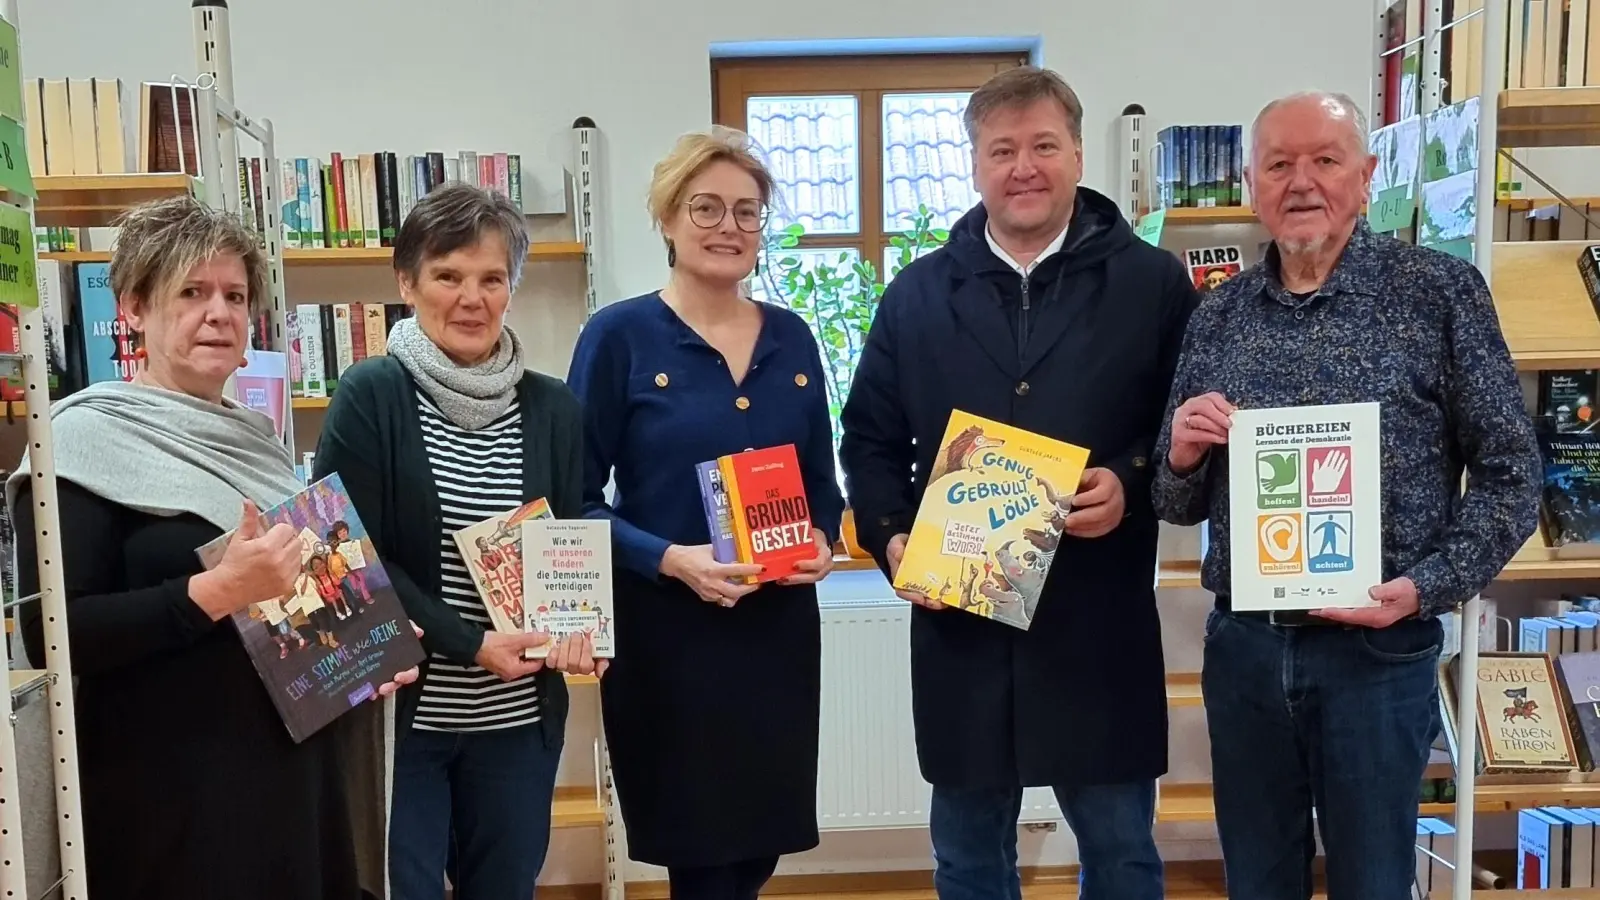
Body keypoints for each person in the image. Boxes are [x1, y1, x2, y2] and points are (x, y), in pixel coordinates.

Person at [1151, 91, 1541, 900]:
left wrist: (1422, 590)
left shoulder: (1439, 294)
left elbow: (1513, 477)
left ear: (1365, 179)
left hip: (1378, 652)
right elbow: (1175, 500)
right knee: (1257, 881)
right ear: (1251, 183)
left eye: (1325, 160)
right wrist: (1183, 451)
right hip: (1247, 653)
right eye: (1279, 164)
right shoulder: (1217, 316)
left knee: (1372, 881)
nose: (1302, 182)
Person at [838, 65, 1196, 900]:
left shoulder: (1152, 286)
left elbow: (1185, 429)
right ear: (974, 165)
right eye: (1002, 150)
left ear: (1076, 152)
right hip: (962, 621)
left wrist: (1130, 479)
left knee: (1119, 848)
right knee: (967, 854)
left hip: (1096, 619)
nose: (1023, 167)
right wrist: (892, 539)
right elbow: (869, 440)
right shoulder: (917, 293)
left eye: (1043, 145)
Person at [3, 195, 419, 900]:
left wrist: (367, 632)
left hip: (295, 780)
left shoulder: (260, 442)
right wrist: (217, 591)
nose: (218, 313)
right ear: (134, 306)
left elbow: (290, 607)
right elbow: (54, 634)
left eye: (233, 295)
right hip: (172, 795)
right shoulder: (80, 441)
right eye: (191, 293)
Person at [565, 127, 845, 900]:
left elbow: (824, 481)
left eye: (748, 212)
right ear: (667, 218)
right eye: (707, 207)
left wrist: (822, 537)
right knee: (703, 862)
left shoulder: (792, 337)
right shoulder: (617, 336)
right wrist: (670, 558)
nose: (729, 227)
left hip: (776, 634)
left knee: (756, 855)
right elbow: (574, 501)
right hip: (670, 637)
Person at [313, 182, 602, 900]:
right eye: (447, 275)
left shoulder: (554, 408)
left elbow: (566, 545)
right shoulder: (370, 394)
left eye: (491, 278)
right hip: (401, 719)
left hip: (516, 724)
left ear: (512, 288)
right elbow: (350, 555)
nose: (471, 297)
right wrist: (470, 644)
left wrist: (577, 628)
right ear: (407, 282)